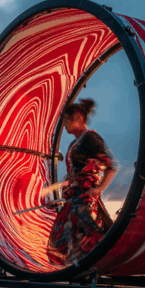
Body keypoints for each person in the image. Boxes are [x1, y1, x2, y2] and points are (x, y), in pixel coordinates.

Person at [47, 99, 117, 265]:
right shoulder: (75, 143)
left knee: (87, 239)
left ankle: (88, 270)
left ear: (78, 119)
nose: (64, 124)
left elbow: (111, 167)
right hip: (74, 198)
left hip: (85, 200)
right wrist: (64, 185)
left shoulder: (91, 138)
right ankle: (76, 271)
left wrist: (100, 188)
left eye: (67, 120)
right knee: (61, 238)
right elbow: (76, 173)